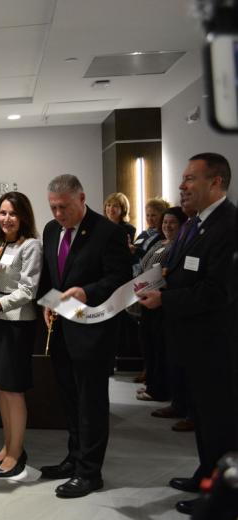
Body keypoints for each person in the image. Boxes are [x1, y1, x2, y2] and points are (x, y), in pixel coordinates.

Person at [137, 153, 238, 516]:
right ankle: (206, 472)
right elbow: (177, 270)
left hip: (216, 344)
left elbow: (217, 291)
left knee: (221, 423)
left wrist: (165, 298)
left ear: (216, 183)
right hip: (192, 342)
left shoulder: (228, 225)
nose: (182, 187)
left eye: (190, 179)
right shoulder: (195, 224)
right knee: (204, 419)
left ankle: (223, 499)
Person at [38, 174, 132, 498]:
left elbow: (120, 279)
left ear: (81, 198)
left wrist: (87, 292)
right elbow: (53, 276)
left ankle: (90, 473)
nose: (58, 214)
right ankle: (74, 459)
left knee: (90, 403)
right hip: (61, 331)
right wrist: (48, 303)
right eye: (53, 207)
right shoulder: (51, 231)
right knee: (69, 400)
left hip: (94, 332)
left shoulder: (109, 233)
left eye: (64, 207)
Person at [0, 192, 42, 478]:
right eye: (2, 213)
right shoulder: (0, 246)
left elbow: (29, 291)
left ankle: (17, 452)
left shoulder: (32, 246)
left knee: (13, 390)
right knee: (1, 388)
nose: (7, 219)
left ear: (23, 216)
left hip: (17, 324)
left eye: (12, 213)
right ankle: (8, 446)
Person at [133, 206, 186, 403]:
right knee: (148, 345)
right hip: (145, 298)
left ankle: (158, 389)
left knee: (158, 347)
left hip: (160, 301)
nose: (168, 226)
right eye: (165, 222)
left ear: (181, 225)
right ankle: (152, 385)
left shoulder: (178, 246)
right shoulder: (159, 242)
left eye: (172, 222)